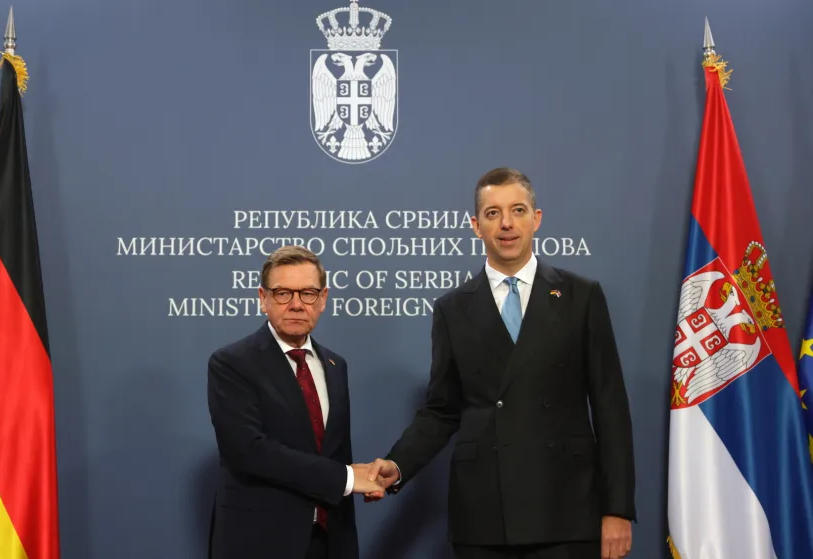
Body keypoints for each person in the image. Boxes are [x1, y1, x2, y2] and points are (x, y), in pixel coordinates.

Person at [365, 168, 637, 559]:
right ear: (476, 226)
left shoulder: (582, 296)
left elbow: (611, 408)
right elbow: (442, 411)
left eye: (518, 210)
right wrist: (397, 464)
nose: (506, 223)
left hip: (567, 508)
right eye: (493, 213)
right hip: (485, 515)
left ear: (536, 219)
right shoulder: (452, 309)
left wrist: (617, 509)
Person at [207, 245, 382, 559]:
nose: (297, 305)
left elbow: (334, 452)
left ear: (323, 299)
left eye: (308, 293)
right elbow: (248, 451)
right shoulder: (232, 363)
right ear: (263, 298)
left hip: (329, 541)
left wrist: (366, 479)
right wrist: (346, 478)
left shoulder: (335, 365)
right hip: (259, 542)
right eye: (283, 293)